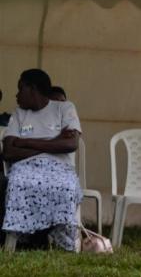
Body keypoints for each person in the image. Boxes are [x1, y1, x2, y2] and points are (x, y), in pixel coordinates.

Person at [2, 69, 82, 251]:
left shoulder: (65, 108)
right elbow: (8, 151)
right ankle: (20, 240)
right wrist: (54, 142)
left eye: (20, 88)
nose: (16, 94)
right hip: (25, 168)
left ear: (33, 89)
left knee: (65, 185)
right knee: (17, 182)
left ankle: (64, 243)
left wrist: (25, 142)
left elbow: (70, 144)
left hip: (60, 169)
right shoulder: (19, 114)